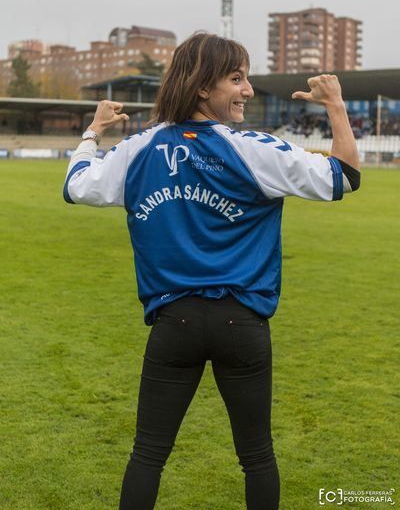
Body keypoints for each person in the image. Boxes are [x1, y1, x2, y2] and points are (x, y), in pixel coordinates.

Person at [63, 32, 360, 510]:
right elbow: (345, 175)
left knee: (147, 456)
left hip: (172, 325)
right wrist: (336, 106)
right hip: (241, 324)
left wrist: (92, 133)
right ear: (203, 87)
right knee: (257, 457)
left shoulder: (138, 148)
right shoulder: (255, 149)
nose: (247, 91)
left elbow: (77, 185)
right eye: (237, 79)